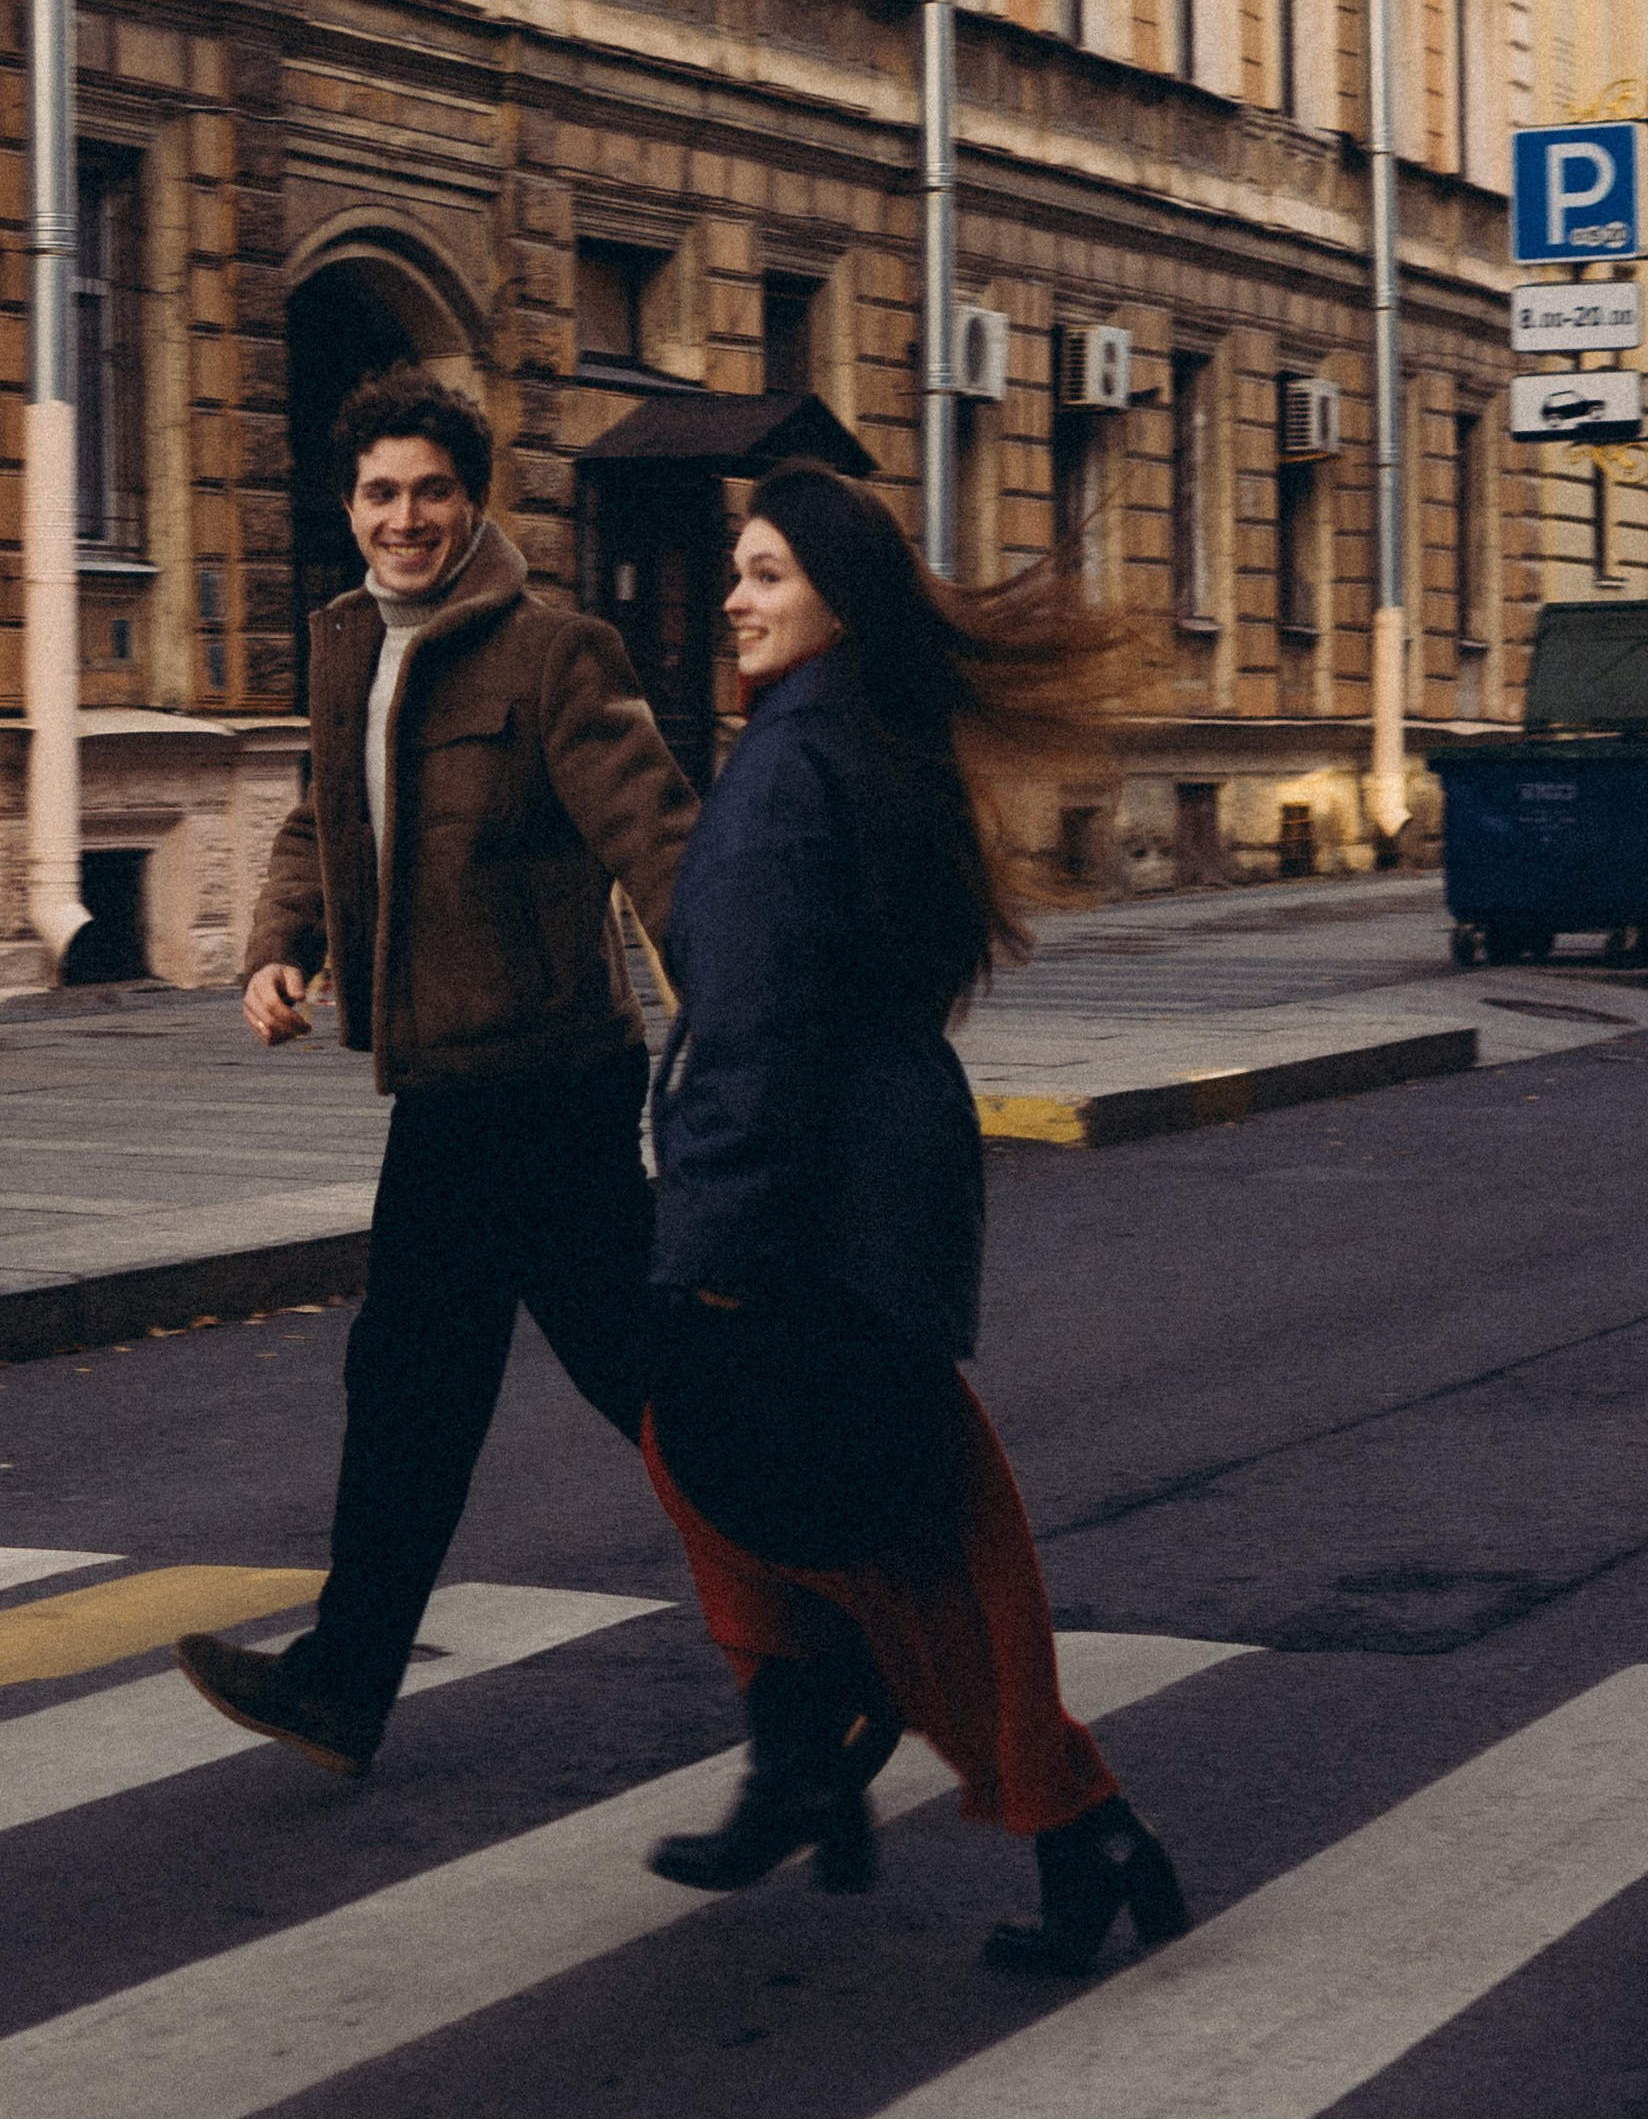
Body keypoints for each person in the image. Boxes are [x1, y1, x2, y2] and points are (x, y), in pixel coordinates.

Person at [637, 460, 1190, 1978]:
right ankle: (867, 1759)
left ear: (835, 595)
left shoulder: (783, 775)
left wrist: (720, 1262)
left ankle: (875, 1759)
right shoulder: (882, 743)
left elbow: (748, 1037)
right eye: (738, 573)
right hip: (888, 1186)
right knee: (925, 1518)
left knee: (775, 1480)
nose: (735, 603)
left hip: (811, 1208)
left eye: (763, 576)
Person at [174, 362, 700, 1779]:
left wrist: (739, 1011)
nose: (403, 518)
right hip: (446, 1088)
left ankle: (839, 1615)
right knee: (426, 1386)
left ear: (473, 503)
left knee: (633, 1380)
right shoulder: (351, 640)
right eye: (379, 493)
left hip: (549, 1082)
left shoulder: (551, 651)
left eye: (430, 492)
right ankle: (344, 1687)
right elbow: (320, 818)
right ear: (350, 506)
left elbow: (658, 840)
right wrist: (280, 948)